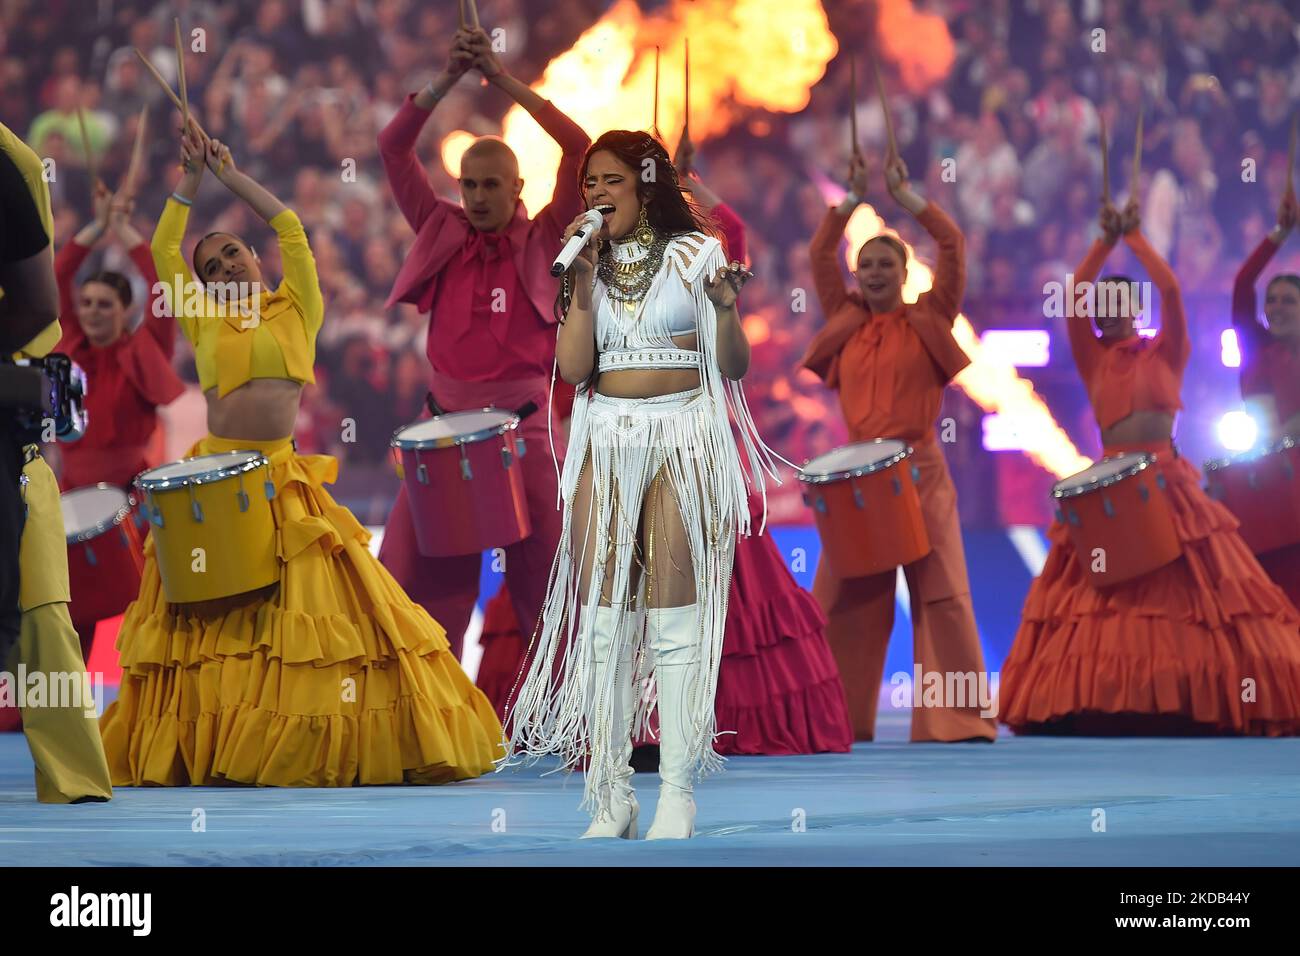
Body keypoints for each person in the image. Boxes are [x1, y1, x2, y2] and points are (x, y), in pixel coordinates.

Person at [99, 121, 502, 786]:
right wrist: (191, 181)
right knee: (215, 624)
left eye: (233, 254)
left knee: (308, 626)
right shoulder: (202, 318)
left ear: (257, 261)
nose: (225, 266)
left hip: (282, 483)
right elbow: (166, 247)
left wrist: (230, 177)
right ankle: (216, 750)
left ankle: (292, 749)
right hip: (214, 485)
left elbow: (288, 224)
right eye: (212, 266)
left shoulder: (298, 305)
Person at [501, 130, 783, 840]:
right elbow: (570, 371)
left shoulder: (697, 253)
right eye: (588, 183)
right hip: (606, 434)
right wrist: (583, 281)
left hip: (681, 434)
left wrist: (723, 309)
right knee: (601, 622)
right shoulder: (584, 264)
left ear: (646, 184)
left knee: (674, 616)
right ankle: (611, 793)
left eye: (609, 181)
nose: (594, 195)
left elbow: (736, 365)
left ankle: (679, 791)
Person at [998, 197, 1300, 736]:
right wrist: (1104, 240)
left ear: (1135, 309)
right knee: (1102, 601)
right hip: (1110, 484)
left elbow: (1172, 291)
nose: (1108, 308)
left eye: (1120, 300)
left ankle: (1187, 699)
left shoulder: (1167, 351)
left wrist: (1136, 240)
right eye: (1102, 302)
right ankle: (1101, 700)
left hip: (1168, 481)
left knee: (1192, 598)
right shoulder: (1093, 357)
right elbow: (1073, 299)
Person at [377, 26, 588, 662]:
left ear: (517, 189)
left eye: (491, 186)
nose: (476, 198)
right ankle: (427, 731)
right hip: (439, 438)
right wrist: (445, 79)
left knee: (547, 593)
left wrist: (501, 80)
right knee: (408, 589)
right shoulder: (438, 227)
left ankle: (583, 732)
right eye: (469, 186)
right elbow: (391, 148)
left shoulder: (549, 236)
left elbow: (578, 149)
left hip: (524, 437)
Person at [801, 150, 996, 744]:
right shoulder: (845, 319)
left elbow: (955, 245)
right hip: (855, 483)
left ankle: (956, 721)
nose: (875, 273)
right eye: (866, 265)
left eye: (887, 263)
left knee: (942, 596)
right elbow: (818, 254)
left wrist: (908, 198)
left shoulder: (932, 316)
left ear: (907, 272)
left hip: (922, 474)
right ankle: (829, 719)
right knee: (839, 602)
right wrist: (851, 201)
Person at [0, 119, 113, 803]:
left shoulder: (7, 164)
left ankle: (75, 783)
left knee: (40, 607)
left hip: (10, 415)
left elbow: (42, 299)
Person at [53, 180, 183, 493]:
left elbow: (160, 283)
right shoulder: (69, 344)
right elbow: (59, 274)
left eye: (105, 304)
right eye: (86, 303)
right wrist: (97, 227)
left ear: (127, 309)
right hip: (71, 494)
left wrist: (122, 230)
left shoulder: (146, 349)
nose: (92, 311)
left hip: (132, 494)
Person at [1231, 185, 1300, 605]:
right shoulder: (1256, 343)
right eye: (1272, 299)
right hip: (1263, 472)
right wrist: (1279, 232)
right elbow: (1243, 285)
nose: (1275, 306)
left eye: (1289, 300)